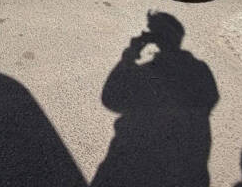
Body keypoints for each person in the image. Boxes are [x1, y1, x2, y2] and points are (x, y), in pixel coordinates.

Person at [91, 12, 218, 187]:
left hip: (134, 163)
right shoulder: (200, 69)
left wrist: (130, 54)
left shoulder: (155, 72)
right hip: (187, 171)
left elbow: (110, 99)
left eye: (151, 30)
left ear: (158, 37)